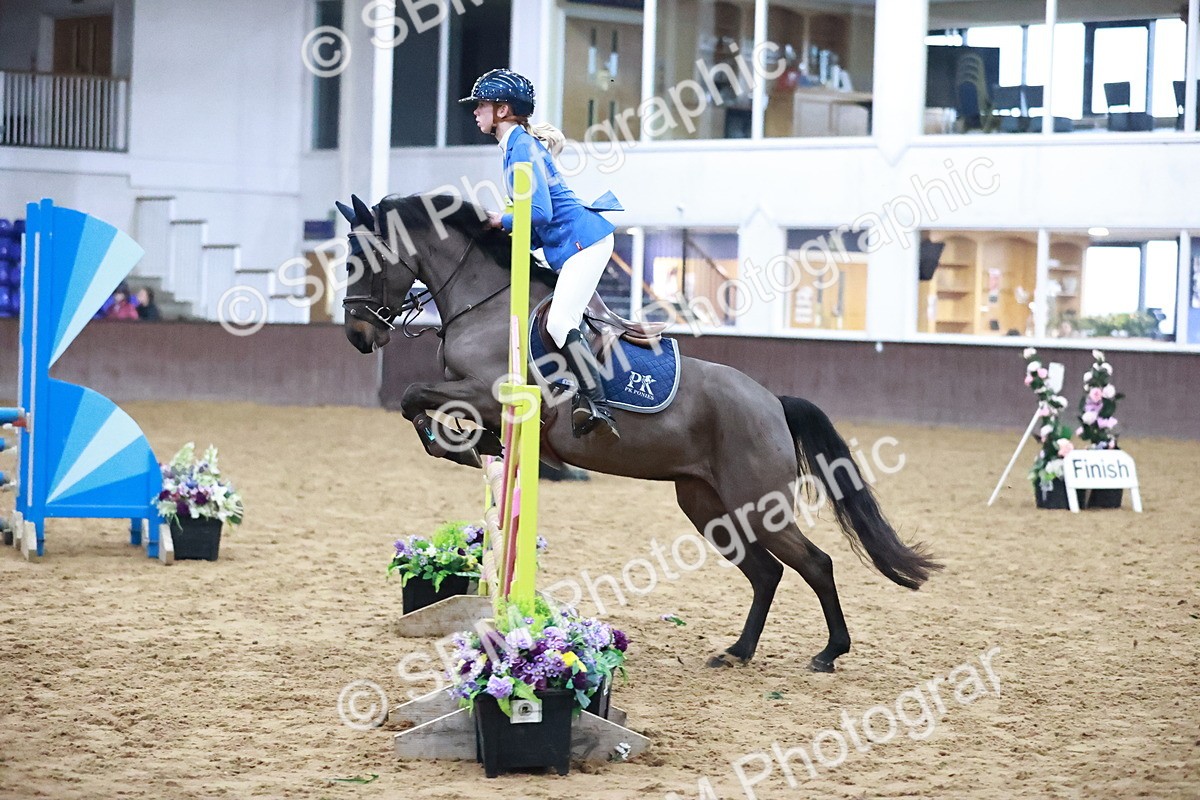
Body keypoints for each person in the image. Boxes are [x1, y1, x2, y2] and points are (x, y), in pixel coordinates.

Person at [460, 68, 622, 440]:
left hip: (584, 242)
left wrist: (501, 219)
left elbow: (540, 213)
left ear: (503, 111)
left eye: (481, 104)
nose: (476, 111)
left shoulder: (522, 148)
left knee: (560, 322)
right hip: (570, 244)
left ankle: (598, 403)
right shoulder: (514, 147)